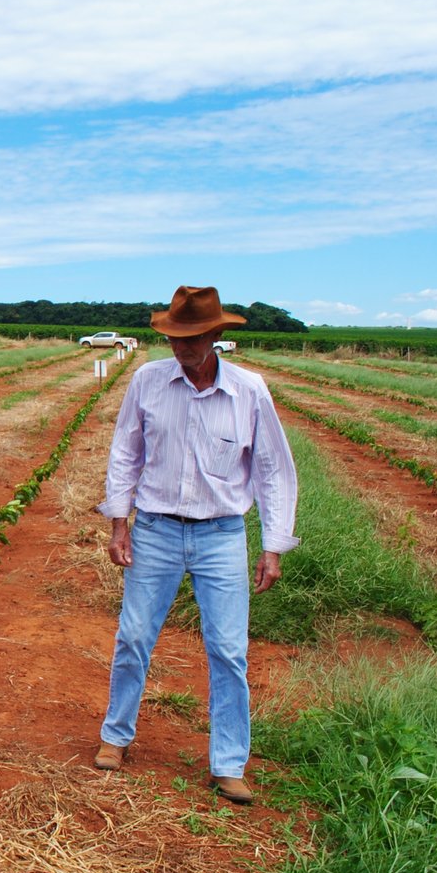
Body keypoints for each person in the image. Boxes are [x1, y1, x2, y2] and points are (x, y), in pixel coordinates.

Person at [93, 285, 299, 804]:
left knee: (228, 650)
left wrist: (272, 545)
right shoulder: (148, 381)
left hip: (221, 535)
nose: (180, 347)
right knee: (133, 636)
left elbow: (273, 470)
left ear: (214, 336)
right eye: (173, 338)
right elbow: (125, 452)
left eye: (191, 338)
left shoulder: (249, 391)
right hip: (156, 529)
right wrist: (119, 522)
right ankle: (115, 736)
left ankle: (228, 764)